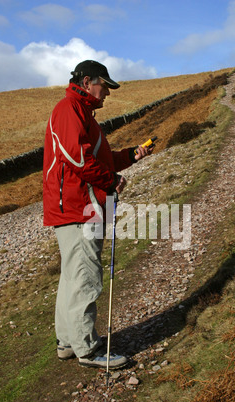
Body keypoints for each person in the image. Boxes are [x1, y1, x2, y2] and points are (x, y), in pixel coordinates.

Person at [43, 60, 153, 369]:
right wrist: (111, 181)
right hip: (79, 208)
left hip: (76, 207)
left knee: (72, 277)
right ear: (87, 81)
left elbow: (96, 160)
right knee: (85, 278)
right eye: (104, 86)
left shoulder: (82, 114)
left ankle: (68, 341)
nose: (106, 93)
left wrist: (130, 155)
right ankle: (87, 350)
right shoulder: (69, 110)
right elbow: (77, 159)